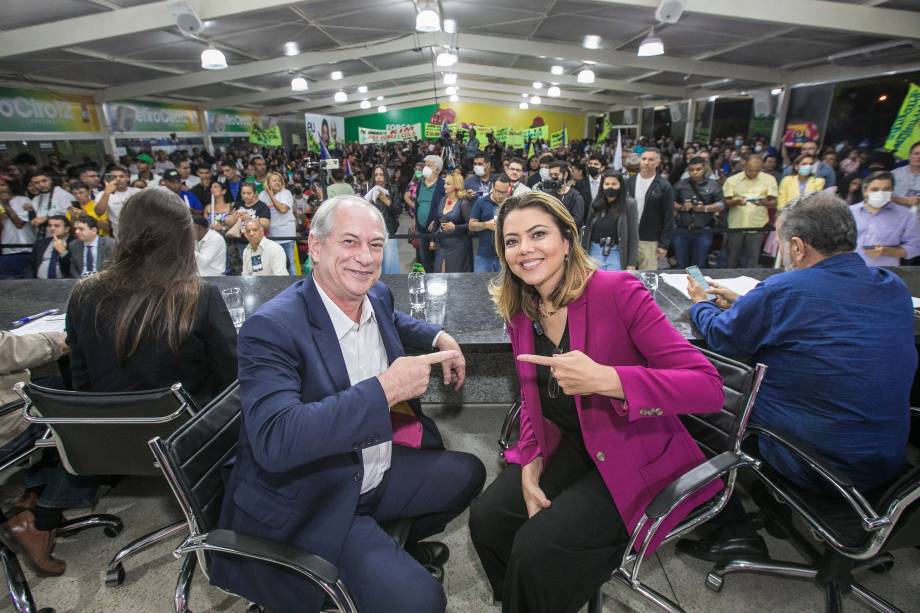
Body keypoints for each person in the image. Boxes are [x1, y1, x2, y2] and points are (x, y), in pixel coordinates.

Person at [209, 195, 486, 613]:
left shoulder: (375, 297)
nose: (365, 258)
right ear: (316, 248)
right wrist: (385, 390)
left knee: (469, 472)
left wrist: (437, 336)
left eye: (375, 245)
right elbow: (275, 439)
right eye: (350, 242)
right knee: (423, 602)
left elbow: (393, 320)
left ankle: (376, 553)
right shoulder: (271, 328)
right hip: (314, 495)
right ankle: (358, 564)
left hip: (370, 470)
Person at [468, 190, 723, 613]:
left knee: (537, 547)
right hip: (571, 444)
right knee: (489, 518)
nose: (524, 250)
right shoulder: (521, 309)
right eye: (511, 241)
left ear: (567, 240)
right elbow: (534, 403)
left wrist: (610, 380)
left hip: (633, 451)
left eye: (537, 234)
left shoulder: (618, 290)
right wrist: (529, 460)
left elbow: (707, 386)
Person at [679, 193, 915, 562]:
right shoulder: (891, 286)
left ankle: (732, 529)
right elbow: (822, 318)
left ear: (797, 246)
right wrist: (746, 303)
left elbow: (724, 336)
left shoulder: (786, 291)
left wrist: (701, 304)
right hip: (887, 465)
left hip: (819, 466)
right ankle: (771, 504)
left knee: (691, 404)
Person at [66, 188, 237, 406]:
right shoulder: (201, 296)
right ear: (183, 236)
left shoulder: (83, 294)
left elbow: (81, 382)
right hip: (187, 433)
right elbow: (231, 379)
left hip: (106, 430)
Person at [0, 329, 74, 576]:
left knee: (56, 386)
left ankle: (34, 493)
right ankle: (43, 520)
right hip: (7, 425)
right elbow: (8, 350)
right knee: (90, 414)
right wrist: (65, 338)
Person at [851, 171, 920, 267]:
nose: (881, 193)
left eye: (886, 189)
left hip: (884, 274)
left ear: (892, 191)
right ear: (865, 191)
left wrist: (886, 251)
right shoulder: (849, 212)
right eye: (875, 189)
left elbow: (915, 247)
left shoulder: (906, 216)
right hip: (850, 270)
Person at [722, 155, 778, 268]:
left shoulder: (769, 179)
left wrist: (763, 202)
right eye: (750, 170)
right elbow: (726, 202)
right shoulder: (732, 180)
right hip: (736, 224)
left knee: (752, 258)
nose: (753, 173)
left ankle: (750, 282)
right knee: (732, 257)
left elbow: (774, 203)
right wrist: (736, 201)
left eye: (757, 171)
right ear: (744, 166)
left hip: (757, 225)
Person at [625, 148, 675, 270]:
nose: (646, 162)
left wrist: (664, 244)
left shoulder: (664, 186)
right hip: (628, 236)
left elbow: (668, 216)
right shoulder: (628, 183)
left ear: (657, 163)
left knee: (647, 278)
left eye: (651, 159)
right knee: (625, 275)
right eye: (644, 159)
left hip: (650, 240)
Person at [672, 156, 725, 270]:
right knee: (681, 265)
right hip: (682, 229)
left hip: (703, 230)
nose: (695, 172)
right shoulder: (680, 184)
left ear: (704, 169)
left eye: (698, 169)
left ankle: (697, 287)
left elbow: (721, 204)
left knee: (699, 265)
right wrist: (681, 207)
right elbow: (670, 202)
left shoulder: (713, 185)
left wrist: (704, 208)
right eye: (691, 170)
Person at [582, 171, 638, 271]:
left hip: (616, 252)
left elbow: (633, 235)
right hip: (594, 251)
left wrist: (631, 263)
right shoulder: (595, 203)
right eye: (607, 184)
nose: (610, 187)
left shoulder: (629, 204)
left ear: (620, 185)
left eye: (614, 184)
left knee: (614, 284)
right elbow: (587, 231)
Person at [430, 170, 473, 273]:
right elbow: (437, 219)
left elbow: (471, 225)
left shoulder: (463, 203)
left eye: (448, 184)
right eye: (445, 183)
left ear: (456, 186)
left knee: (454, 277)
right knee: (439, 273)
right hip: (441, 244)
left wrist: (455, 227)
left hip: (458, 246)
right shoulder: (442, 199)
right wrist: (432, 239)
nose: (444, 186)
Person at [469, 174, 511, 273]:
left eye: (504, 192)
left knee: (504, 287)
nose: (501, 195)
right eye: (498, 192)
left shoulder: (510, 204)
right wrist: (486, 225)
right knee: (480, 285)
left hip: (505, 255)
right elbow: (471, 225)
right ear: (492, 187)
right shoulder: (481, 202)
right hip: (484, 255)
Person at [365, 165, 403, 274]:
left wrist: (385, 199)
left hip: (389, 231)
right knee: (375, 263)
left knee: (390, 263)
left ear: (385, 176)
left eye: (381, 174)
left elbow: (399, 210)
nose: (378, 177)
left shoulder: (393, 189)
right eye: (376, 175)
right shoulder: (369, 190)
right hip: (372, 233)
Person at [259, 171, 298, 275]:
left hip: (286, 233)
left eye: (279, 180)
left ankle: (294, 285)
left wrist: (271, 196)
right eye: (274, 180)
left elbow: (282, 209)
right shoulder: (262, 195)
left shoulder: (286, 193)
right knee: (273, 263)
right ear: (268, 183)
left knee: (290, 262)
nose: (278, 182)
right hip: (271, 235)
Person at [414, 155, 446, 272]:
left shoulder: (443, 185)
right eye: (425, 165)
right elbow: (417, 204)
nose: (425, 168)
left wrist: (437, 220)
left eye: (428, 165)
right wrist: (415, 223)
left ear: (437, 169)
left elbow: (446, 207)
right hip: (421, 230)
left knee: (437, 262)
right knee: (425, 260)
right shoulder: (420, 184)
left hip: (437, 232)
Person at [93, 167, 141, 238]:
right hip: (119, 232)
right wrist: (107, 192)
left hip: (140, 228)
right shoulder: (102, 194)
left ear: (127, 178)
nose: (118, 179)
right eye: (114, 177)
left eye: (121, 176)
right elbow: (99, 212)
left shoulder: (138, 191)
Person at [0, 182, 36, 278]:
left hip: (26, 247)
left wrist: (5, 204)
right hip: (7, 249)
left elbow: (19, 223)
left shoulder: (22, 200)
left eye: (3, 185)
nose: (1, 189)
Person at [26, 172, 71, 239]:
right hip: (44, 237)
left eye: (44, 181)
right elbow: (33, 221)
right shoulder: (36, 199)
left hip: (63, 238)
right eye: (36, 183)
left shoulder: (63, 194)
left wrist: (47, 218)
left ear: (50, 180)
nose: (41, 184)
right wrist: (32, 216)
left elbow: (73, 216)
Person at [540, 161, 585, 229]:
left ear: (565, 175)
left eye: (556, 175)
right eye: (551, 175)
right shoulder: (546, 195)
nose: (553, 177)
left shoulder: (575, 196)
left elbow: (577, 220)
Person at [891, 140, 920, 209]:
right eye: (916, 154)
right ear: (909, 156)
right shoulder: (893, 174)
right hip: (894, 215)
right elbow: (880, 196)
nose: (919, 157)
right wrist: (903, 201)